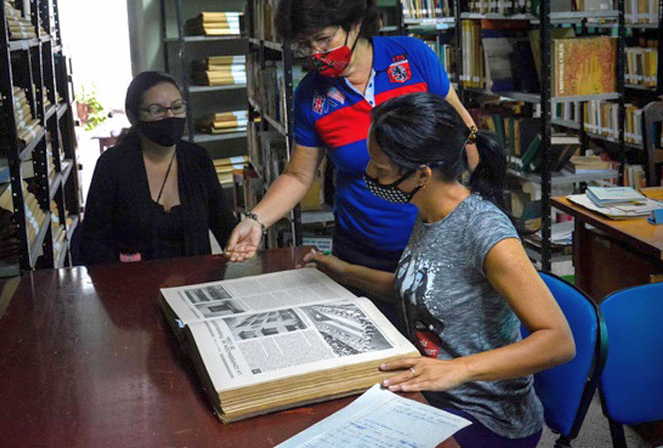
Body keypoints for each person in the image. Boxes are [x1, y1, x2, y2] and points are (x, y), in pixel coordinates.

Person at [303, 92, 575, 447]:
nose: (368, 174)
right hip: (434, 395)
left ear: (422, 174)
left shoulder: (485, 233)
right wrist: (343, 271)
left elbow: (559, 342)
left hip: (488, 416)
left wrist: (455, 370)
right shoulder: (428, 210)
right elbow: (420, 288)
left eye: (380, 169)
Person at [225, 0, 478, 328]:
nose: (316, 53)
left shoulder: (412, 55)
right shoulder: (311, 95)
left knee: (440, 349)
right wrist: (256, 221)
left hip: (436, 241)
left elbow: (463, 131)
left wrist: (478, 206)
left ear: (355, 24)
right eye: (305, 45)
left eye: (324, 39)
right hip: (362, 248)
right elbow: (299, 174)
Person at [79, 71, 235, 265]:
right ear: (133, 115)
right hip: (135, 288)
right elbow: (93, 243)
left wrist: (246, 238)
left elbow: (224, 224)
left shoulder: (197, 159)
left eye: (177, 107)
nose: (170, 116)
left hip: (197, 285)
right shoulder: (113, 165)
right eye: (157, 110)